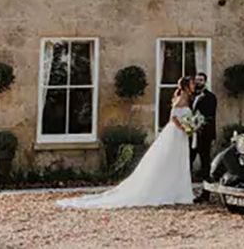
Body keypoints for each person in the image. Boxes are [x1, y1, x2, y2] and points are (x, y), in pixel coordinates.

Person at [58, 76, 195, 209]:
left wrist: (189, 127)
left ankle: (179, 190)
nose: (194, 86)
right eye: (192, 84)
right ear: (186, 86)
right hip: (176, 133)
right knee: (172, 159)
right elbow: (173, 118)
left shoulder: (186, 99)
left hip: (181, 135)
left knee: (179, 160)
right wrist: (184, 127)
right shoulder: (179, 100)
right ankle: (173, 191)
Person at [190, 71, 217, 201]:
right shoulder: (190, 96)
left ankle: (206, 193)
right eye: (196, 80)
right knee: (187, 163)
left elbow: (210, 117)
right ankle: (185, 191)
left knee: (205, 165)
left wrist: (199, 123)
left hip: (204, 136)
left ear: (205, 82)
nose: (198, 82)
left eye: (200, 80)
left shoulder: (211, 97)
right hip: (191, 136)